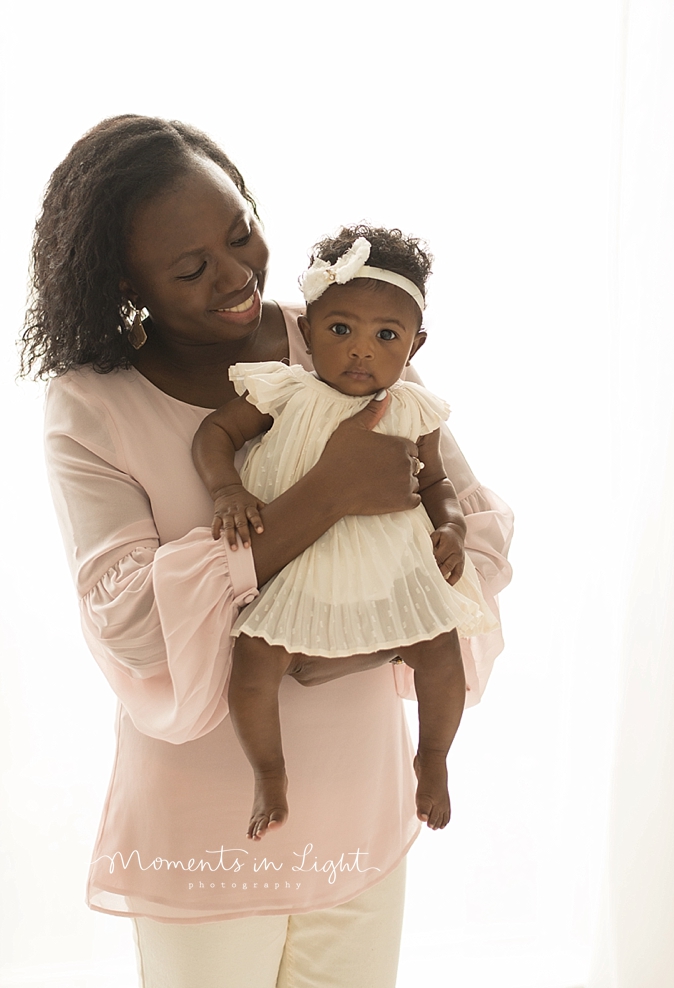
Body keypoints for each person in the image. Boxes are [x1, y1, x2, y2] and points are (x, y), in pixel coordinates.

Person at [21, 114, 513, 988]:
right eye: (190, 267)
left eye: (240, 229)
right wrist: (329, 495)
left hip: (362, 802)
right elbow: (132, 625)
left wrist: (345, 639)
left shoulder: (342, 335)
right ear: (122, 282)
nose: (238, 272)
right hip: (208, 824)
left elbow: (471, 527)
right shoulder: (93, 407)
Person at [193, 227, 499, 840]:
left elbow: (438, 484)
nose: (362, 351)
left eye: (386, 336)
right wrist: (227, 489)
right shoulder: (284, 391)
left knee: (441, 653)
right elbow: (214, 436)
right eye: (341, 330)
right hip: (301, 563)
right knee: (253, 664)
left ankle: (432, 757)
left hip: (389, 568)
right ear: (306, 332)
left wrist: (454, 527)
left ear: (415, 345)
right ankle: (270, 772)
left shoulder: (413, 409)